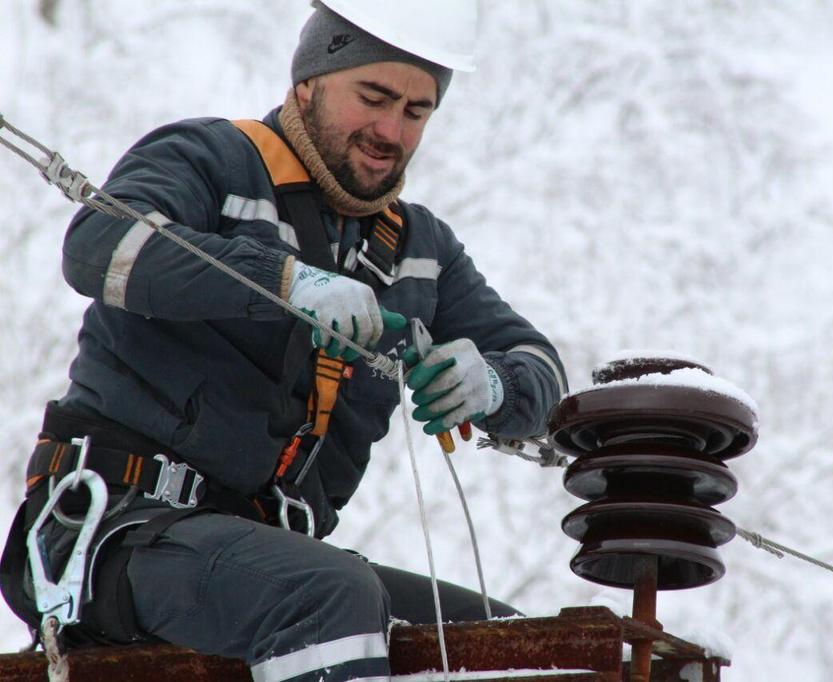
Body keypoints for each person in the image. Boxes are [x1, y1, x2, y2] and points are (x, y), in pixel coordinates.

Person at [0, 2, 567, 680]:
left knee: (518, 647)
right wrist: (284, 282)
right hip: (120, 534)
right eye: (374, 97)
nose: (391, 129)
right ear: (308, 83)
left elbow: (541, 370)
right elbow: (100, 249)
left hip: (263, 556)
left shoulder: (419, 254)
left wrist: (497, 384)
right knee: (328, 594)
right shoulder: (210, 162)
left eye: (416, 112)